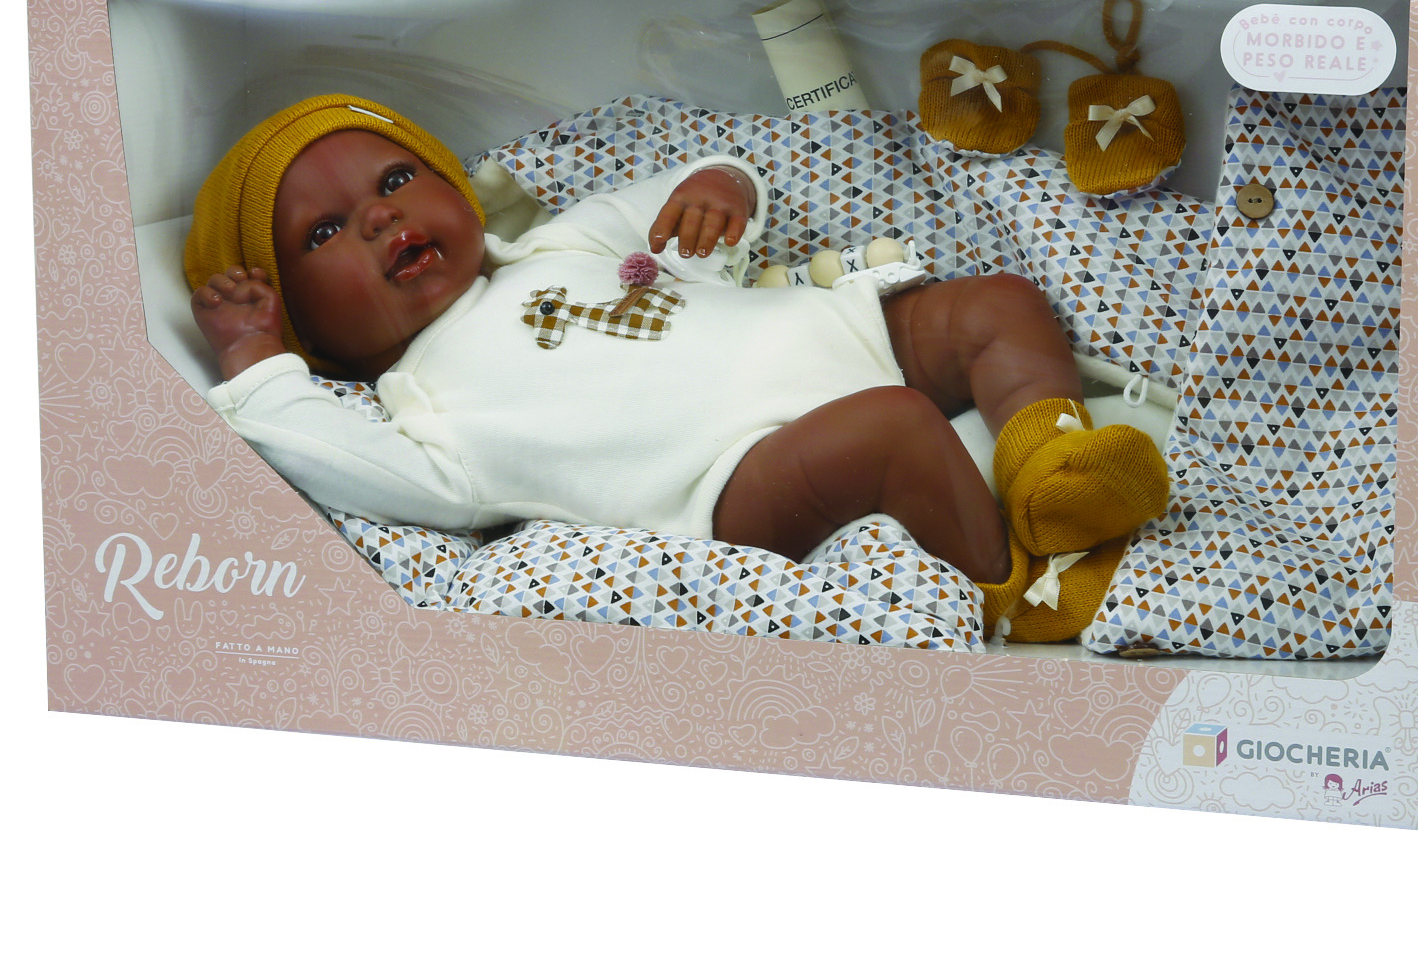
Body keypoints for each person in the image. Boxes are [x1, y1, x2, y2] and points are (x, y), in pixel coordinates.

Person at [186, 95, 1167, 640]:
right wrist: (255, 359)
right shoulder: (425, 411)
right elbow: (335, 456)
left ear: (453, 188)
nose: (379, 216)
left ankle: (1047, 464)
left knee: (997, 304)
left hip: (838, 334)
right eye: (325, 233)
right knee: (894, 431)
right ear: (310, 324)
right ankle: (1019, 590)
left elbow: (684, 199)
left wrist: (718, 186)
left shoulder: (559, 244)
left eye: (398, 179)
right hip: (737, 477)